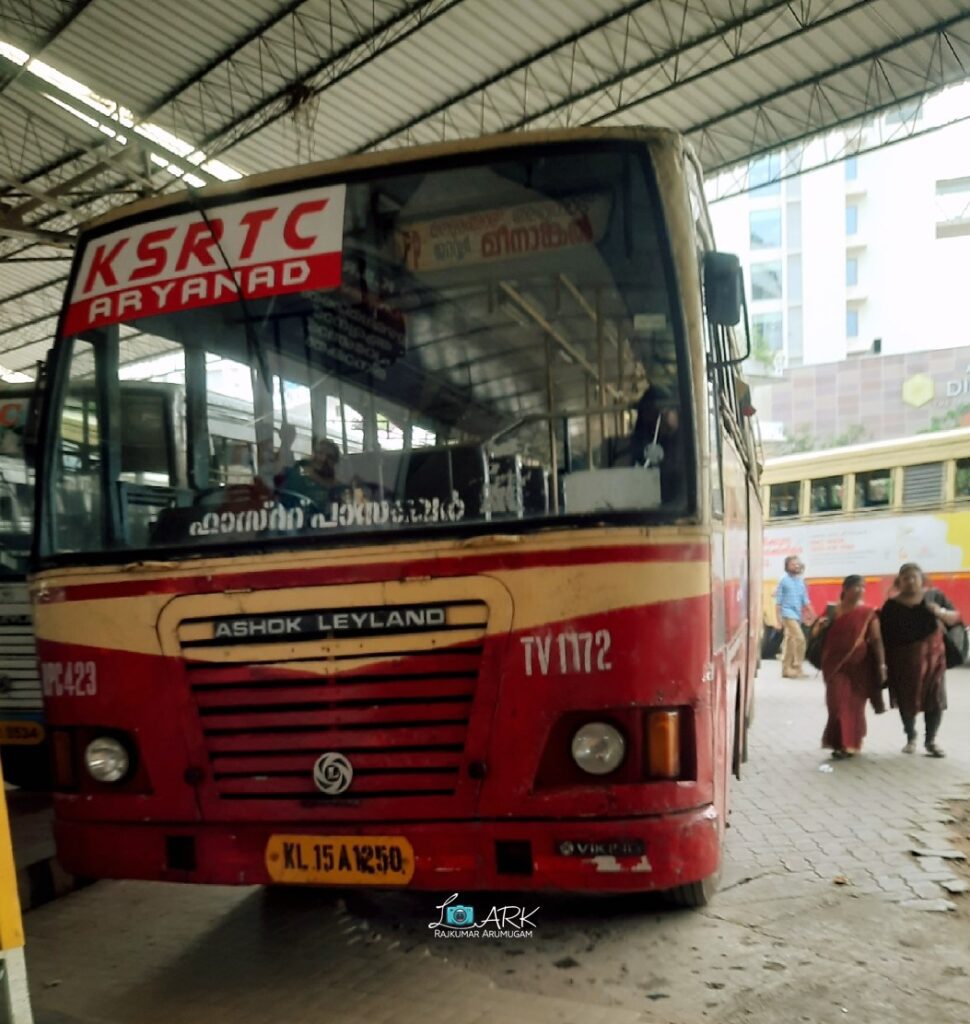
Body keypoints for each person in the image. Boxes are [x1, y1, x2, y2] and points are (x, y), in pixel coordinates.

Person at [880, 562, 958, 757]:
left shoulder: (935, 596)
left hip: (934, 661)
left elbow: (955, 617)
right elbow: (883, 637)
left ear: (922, 579)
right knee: (907, 700)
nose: (910, 581)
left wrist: (939, 612)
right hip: (903, 662)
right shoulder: (891, 606)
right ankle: (911, 737)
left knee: (935, 699)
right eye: (906, 578)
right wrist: (883, 664)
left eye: (914, 577)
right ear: (899, 581)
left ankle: (931, 740)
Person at [816, 575, 887, 759]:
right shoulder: (832, 610)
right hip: (833, 666)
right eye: (856, 587)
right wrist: (821, 626)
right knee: (836, 704)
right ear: (845, 589)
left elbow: (877, 639)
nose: (860, 590)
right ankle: (838, 742)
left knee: (854, 706)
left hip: (859, 668)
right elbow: (815, 633)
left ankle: (849, 745)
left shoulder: (868, 612)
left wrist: (881, 664)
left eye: (863, 587)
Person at [630, 383, 684, 504]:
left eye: (657, 415)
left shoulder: (687, 438)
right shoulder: (647, 438)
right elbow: (637, 464)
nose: (655, 423)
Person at [274, 424, 347, 507]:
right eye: (320, 453)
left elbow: (337, 487)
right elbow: (281, 478)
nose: (323, 458)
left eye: (329, 456)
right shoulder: (301, 467)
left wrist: (315, 477)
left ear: (335, 461)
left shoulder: (334, 478)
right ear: (314, 453)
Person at [775, 555, 815, 678]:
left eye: (797, 564)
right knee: (800, 639)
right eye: (793, 564)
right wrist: (778, 620)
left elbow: (805, 600)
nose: (796, 566)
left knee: (790, 642)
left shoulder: (801, 581)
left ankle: (786, 670)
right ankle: (797, 667)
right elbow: (778, 602)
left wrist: (813, 615)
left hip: (797, 615)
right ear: (787, 567)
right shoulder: (783, 580)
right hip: (787, 614)